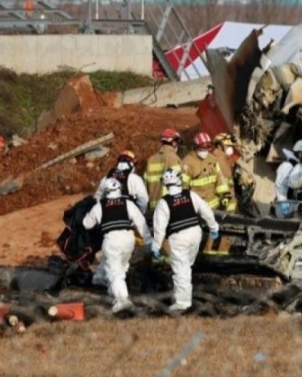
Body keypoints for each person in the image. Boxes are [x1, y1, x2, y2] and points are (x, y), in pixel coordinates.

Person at [151, 168, 219, 312]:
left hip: (178, 237)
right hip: (195, 233)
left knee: (181, 270)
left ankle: (183, 303)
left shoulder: (164, 203)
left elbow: (159, 228)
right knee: (186, 266)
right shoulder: (190, 195)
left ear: (165, 184)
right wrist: (213, 227)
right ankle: (180, 295)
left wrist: (156, 246)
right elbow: (206, 210)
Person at [82, 177, 153, 313]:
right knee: (121, 267)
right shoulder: (127, 204)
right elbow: (140, 222)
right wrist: (149, 241)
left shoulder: (100, 206)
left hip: (112, 240)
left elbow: (87, 224)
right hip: (128, 240)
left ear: (106, 191)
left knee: (115, 273)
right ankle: (112, 291)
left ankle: (122, 300)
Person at [181, 131, 231, 210]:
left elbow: (220, 179)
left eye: (207, 149)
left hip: (214, 208)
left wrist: (224, 195)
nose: (205, 152)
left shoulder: (213, 159)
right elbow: (183, 187)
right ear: (196, 147)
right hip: (197, 208)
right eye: (202, 149)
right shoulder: (187, 163)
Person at [144, 128, 185, 212]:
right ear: (173, 142)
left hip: (153, 208)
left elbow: (145, 185)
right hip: (170, 207)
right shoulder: (174, 159)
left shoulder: (151, 160)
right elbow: (180, 183)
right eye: (177, 142)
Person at [274, 139, 302, 218]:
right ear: (299, 153)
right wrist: (284, 206)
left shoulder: (296, 168)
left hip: (289, 205)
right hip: (283, 208)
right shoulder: (287, 166)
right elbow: (280, 186)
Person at [212, 132, 239, 213]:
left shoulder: (222, 159)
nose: (231, 149)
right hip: (225, 204)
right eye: (228, 146)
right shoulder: (220, 161)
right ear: (219, 146)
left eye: (231, 146)